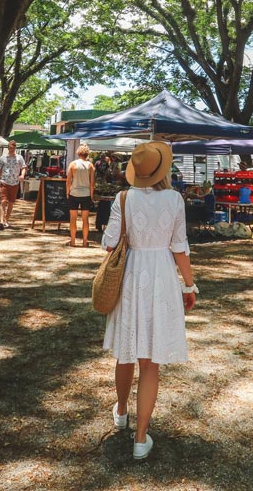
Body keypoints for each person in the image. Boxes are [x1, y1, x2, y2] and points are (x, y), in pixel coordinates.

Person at [102, 141, 196, 461]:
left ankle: (122, 411)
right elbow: (179, 248)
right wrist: (189, 285)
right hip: (161, 277)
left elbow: (109, 243)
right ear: (163, 169)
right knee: (150, 361)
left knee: (126, 351)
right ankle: (141, 438)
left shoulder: (122, 198)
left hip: (131, 274)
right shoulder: (174, 199)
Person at [66, 143, 95, 247]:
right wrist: (91, 195)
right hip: (86, 194)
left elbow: (68, 180)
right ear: (87, 154)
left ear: (78, 153)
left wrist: (67, 192)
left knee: (73, 218)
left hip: (74, 193)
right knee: (85, 219)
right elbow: (92, 182)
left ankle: (73, 241)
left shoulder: (73, 164)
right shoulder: (90, 165)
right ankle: (84, 241)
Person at [0, 140, 27, 229]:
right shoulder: (2, 158)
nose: (11, 150)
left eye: (13, 148)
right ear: (8, 148)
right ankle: (1, 221)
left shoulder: (19, 158)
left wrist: (22, 175)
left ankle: (6, 220)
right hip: (4, 182)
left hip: (15, 183)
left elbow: (24, 167)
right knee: (3, 201)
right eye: (10, 148)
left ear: (15, 148)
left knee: (11, 202)